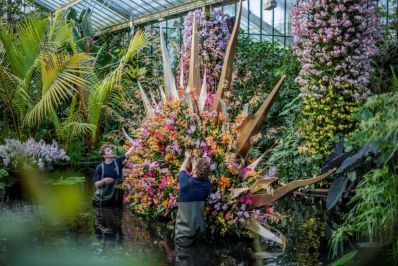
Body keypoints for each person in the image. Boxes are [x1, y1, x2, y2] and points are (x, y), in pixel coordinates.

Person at [175, 150, 212, 247]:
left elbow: (182, 169)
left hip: (184, 236)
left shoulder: (185, 184)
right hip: (200, 233)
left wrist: (187, 158)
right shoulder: (207, 186)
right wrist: (195, 162)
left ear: (194, 170)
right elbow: (201, 173)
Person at [92, 143, 135, 207]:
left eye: (111, 149)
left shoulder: (118, 161)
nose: (111, 151)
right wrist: (103, 181)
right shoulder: (100, 167)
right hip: (104, 201)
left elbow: (128, 153)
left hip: (117, 199)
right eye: (108, 150)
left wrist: (136, 144)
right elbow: (96, 185)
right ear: (104, 156)